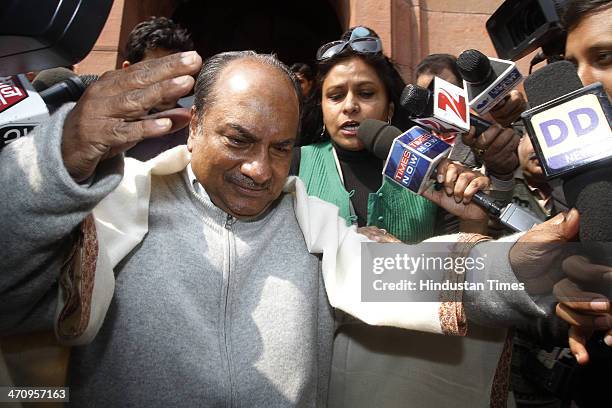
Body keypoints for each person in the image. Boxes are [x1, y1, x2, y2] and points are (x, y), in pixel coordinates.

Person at [0, 49, 583, 407]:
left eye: (281, 147)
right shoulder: (115, 213)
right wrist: (62, 159)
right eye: (238, 140)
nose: (261, 169)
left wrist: (516, 269)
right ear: (194, 126)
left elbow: (407, 277)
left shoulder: (315, 227)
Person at [122, 16, 195, 161]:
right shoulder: (101, 120)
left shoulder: (192, 130)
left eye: (175, 73)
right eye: (154, 72)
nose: (166, 83)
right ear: (127, 71)